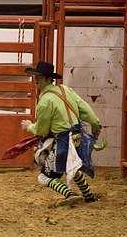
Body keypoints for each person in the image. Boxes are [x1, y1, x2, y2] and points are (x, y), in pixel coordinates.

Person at [21, 62, 102, 206]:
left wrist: (29, 127)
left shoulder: (45, 101)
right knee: (71, 166)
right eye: (35, 77)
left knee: (44, 177)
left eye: (38, 77)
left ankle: (69, 193)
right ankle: (88, 196)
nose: (36, 80)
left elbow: (42, 131)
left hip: (63, 139)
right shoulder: (65, 90)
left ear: (47, 79)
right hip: (78, 135)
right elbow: (86, 110)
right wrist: (95, 124)